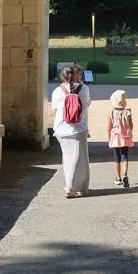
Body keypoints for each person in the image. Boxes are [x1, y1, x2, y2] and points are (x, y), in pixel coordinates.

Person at [51, 65, 91, 198]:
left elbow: (54, 108)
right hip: (79, 128)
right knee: (80, 159)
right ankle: (74, 187)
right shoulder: (83, 89)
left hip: (62, 128)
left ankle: (70, 184)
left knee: (68, 158)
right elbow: (86, 105)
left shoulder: (58, 90)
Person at [107, 89, 134, 187]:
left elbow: (109, 127)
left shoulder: (111, 112)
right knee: (124, 156)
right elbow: (131, 125)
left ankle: (118, 178)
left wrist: (109, 139)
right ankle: (125, 174)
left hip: (115, 137)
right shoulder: (128, 112)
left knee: (117, 157)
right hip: (125, 136)